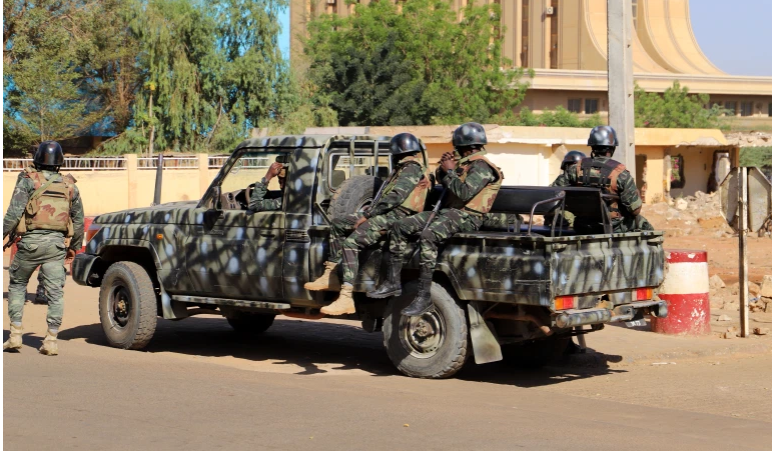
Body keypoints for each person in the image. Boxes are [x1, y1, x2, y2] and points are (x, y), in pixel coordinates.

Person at [370, 122, 502, 316]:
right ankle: (392, 282)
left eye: (456, 148)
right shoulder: (465, 165)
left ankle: (423, 297)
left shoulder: (482, 166)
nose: (454, 151)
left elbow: (464, 193)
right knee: (400, 227)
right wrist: (442, 170)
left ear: (463, 146)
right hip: (448, 212)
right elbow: (447, 184)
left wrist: (449, 171)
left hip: (469, 216)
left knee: (428, 236)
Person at [305, 133, 431, 316]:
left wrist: (368, 215)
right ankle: (330, 274)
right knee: (339, 224)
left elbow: (397, 197)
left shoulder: (411, 168)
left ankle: (346, 297)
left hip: (397, 215)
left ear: (397, 152)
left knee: (351, 243)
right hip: (387, 212)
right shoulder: (403, 168)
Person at [3, 141, 84, 355]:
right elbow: (78, 221)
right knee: (56, 294)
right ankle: (50, 340)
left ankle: (15, 336)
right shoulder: (70, 186)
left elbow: (13, 213)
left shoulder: (28, 180)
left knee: (18, 284)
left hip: (30, 244)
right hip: (56, 246)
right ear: (59, 161)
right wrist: (73, 248)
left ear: (37, 158)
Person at [552, 125, 653, 233]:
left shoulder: (574, 169)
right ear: (612, 148)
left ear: (592, 146)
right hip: (613, 227)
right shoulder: (620, 174)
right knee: (646, 226)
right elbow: (635, 210)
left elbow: (553, 192)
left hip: (582, 225)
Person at [548, 150, 586, 229]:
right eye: (574, 166)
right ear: (567, 166)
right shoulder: (562, 180)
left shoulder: (584, 180)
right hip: (561, 217)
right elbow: (551, 199)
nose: (576, 169)